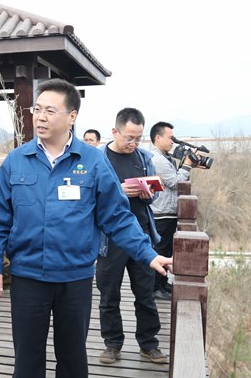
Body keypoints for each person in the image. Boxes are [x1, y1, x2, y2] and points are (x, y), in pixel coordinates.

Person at [0, 79, 173, 378]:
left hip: (75, 277)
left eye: (50, 111)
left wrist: (148, 254)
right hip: (28, 276)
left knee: (72, 358)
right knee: (27, 358)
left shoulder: (93, 161)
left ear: (72, 116)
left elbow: (117, 217)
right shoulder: (16, 161)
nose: (40, 117)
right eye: (37, 109)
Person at [96, 107, 168, 365]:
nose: (133, 143)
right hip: (110, 240)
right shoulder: (99, 158)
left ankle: (149, 344)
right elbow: (92, 196)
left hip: (141, 235)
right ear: (115, 132)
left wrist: (149, 193)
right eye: (129, 137)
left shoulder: (144, 157)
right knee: (109, 295)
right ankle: (112, 344)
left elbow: (153, 196)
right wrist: (119, 191)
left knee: (145, 294)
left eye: (138, 138)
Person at [149, 121, 200, 299]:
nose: (173, 142)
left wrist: (187, 164)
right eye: (170, 138)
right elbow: (175, 182)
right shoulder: (157, 159)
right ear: (158, 138)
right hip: (161, 214)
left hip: (167, 212)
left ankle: (162, 284)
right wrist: (187, 165)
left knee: (166, 252)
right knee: (160, 251)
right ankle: (155, 288)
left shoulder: (165, 158)